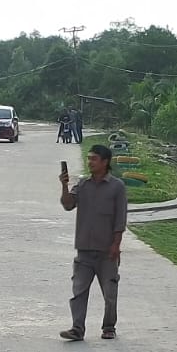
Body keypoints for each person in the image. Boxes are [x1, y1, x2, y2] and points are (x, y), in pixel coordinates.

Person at [58, 143, 127, 340]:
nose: (90, 162)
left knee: (110, 293)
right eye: (88, 158)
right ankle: (77, 329)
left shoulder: (117, 187)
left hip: (107, 251)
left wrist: (116, 245)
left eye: (94, 159)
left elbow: (120, 218)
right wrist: (64, 185)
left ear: (105, 162)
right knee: (78, 291)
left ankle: (109, 327)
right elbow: (68, 205)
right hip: (84, 250)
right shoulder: (82, 185)